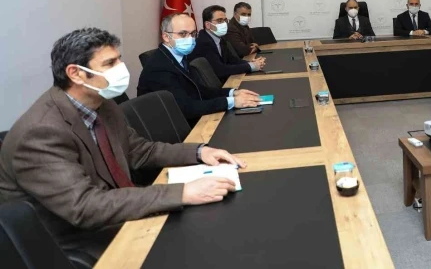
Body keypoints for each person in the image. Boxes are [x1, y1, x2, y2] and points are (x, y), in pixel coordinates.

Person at [0, 28, 246, 263]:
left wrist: (199, 151)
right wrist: (182, 193)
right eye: (110, 63)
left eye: (119, 60)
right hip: (76, 245)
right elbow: (85, 206)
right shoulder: (40, 133)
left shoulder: (102, 103)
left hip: (120, 212)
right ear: (75, 73)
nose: (121, 69)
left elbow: (140, 151)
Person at [137, 13, 261, 125]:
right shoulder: (160, 68)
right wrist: (231, 102)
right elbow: (187, 108)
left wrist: (232, 93)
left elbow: (198, 90)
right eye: (183, 34)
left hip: (187, 119)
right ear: (166, 36)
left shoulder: (178, 56)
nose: (190, 38)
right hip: (174, 129)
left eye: (192, 34)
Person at [191, 5, 266, 84]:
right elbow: (220, 70)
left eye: (225, 20)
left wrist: (251, 62)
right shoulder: (203, 42)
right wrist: (251, 66)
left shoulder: (220, 38)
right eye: (219, 20)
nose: (224, 24)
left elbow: (233, 60)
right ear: (208, 25)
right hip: (217, 85)